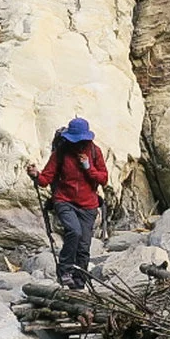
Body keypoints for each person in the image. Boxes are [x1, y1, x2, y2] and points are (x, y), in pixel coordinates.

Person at [31, 117, 110, 288]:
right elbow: (46, 178)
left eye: (81, 141)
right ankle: (65, 271)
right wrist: (36, 175)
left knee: (84, 245)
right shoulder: (61, 152)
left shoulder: (95, 152)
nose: (78, 144)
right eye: (75, 140)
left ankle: (80, 280)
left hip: (88, 205)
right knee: (74, 231)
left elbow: (104, 179)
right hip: (64, 200)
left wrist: (89, 168)